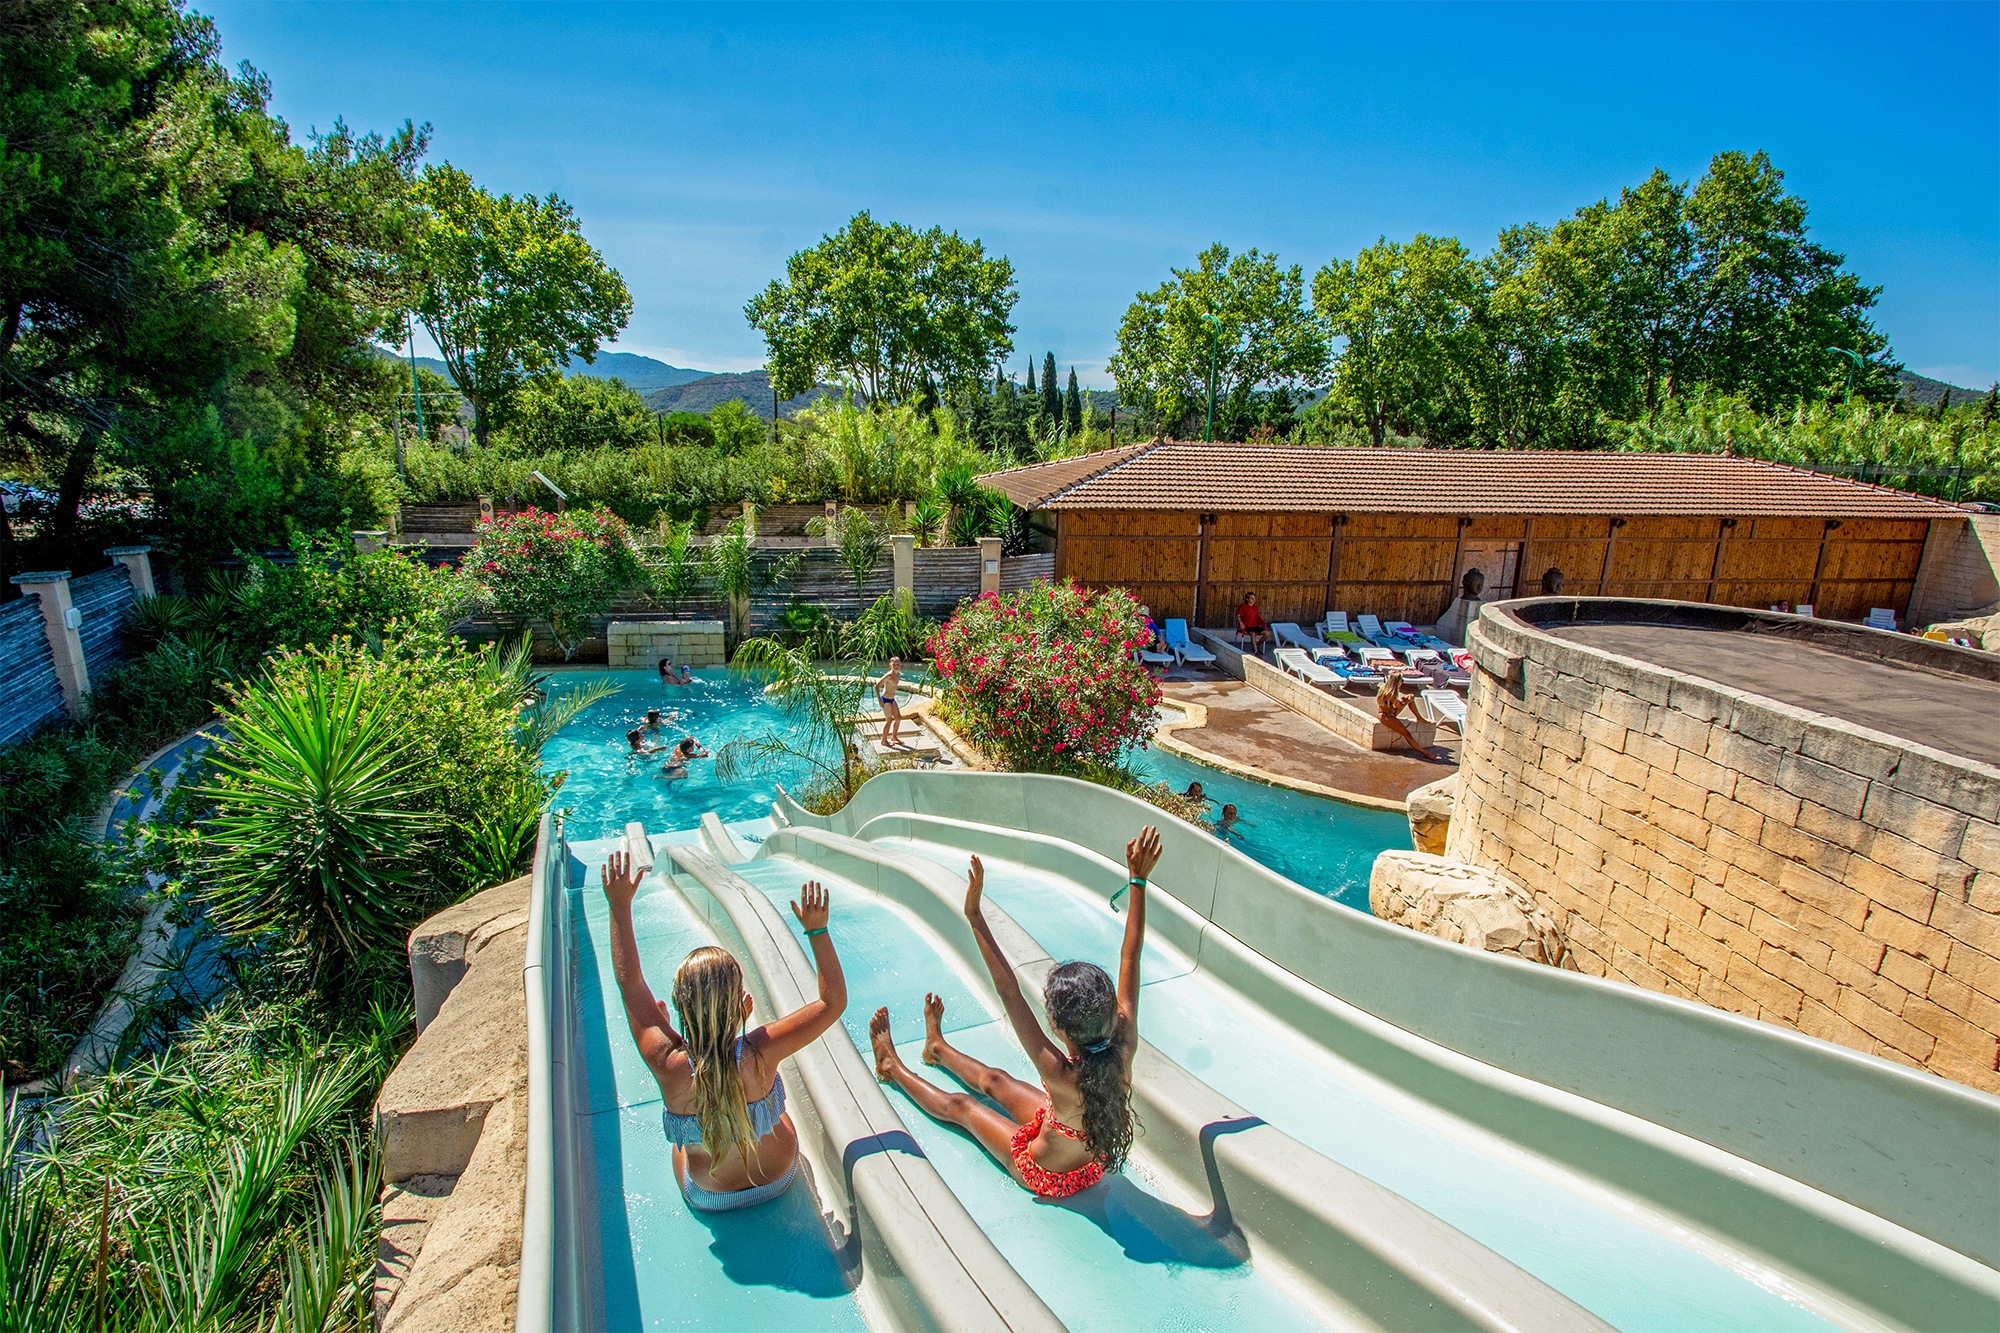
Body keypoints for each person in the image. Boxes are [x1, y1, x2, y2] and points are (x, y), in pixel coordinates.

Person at [871, 827, 1164, 1200]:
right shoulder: (1123, 1041)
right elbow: (1130, 956)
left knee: (962, 1106)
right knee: (996, 1080)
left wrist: (975, 916)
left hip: (1044, 1173)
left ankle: (890, 1066)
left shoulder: (1058, 1071)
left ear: (1057, 1027)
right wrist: (1137, 881)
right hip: (1086, 1160)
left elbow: (1008, 990)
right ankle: (936, 1048)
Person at [600, 850, 847, 1211]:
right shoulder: (761, 1049)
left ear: (681, 1008)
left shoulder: (664, 1060)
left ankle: (696, 1026)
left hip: (707, 1194)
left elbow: (630, 983)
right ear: (736, 1006)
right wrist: (817, 930)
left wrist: (619, 906)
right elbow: (832, 1003)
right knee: (774, 1114)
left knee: (684, 1142)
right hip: (778, 1178)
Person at [1375, 674, 1434, 759]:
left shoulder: (1385, 689)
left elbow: (1394, 705)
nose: (1402, 682)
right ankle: (1424, 753)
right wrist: (1407, 701)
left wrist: (1408, 699)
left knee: (1411, 697)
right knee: (1407, 734)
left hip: (1389, 713)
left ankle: (1419, 718)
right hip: (1386, 717)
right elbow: (1398, 706)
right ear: (1397, 682)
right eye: (1401, 681)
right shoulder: (1391, 693)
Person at [875, 657, 905, 749]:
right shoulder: (889, 676)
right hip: (885, 699)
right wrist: (879, 700)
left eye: (898, 664)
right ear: (890, 666)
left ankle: (894, 736)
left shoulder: (898, 674)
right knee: (889, 720)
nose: (896, 666)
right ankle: (884, 741)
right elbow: (877, 686)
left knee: (898, 718)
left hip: (892, 699)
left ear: (900, 665)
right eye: (894, 665)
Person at [1236, 593, 1271, 657]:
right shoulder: (1243, 606)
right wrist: (1241, 623)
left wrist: (1262, 622)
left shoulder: (1255, 608)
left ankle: (1257, 645)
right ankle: (1255, 650)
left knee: (1267, 633)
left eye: (1254, 598)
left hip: (1255, 625)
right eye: (1252, 598)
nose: (1253, 600)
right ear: (1247, 599)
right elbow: (1238, 615)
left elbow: (1257, 617)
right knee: (1253, 634)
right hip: (1247, 626)